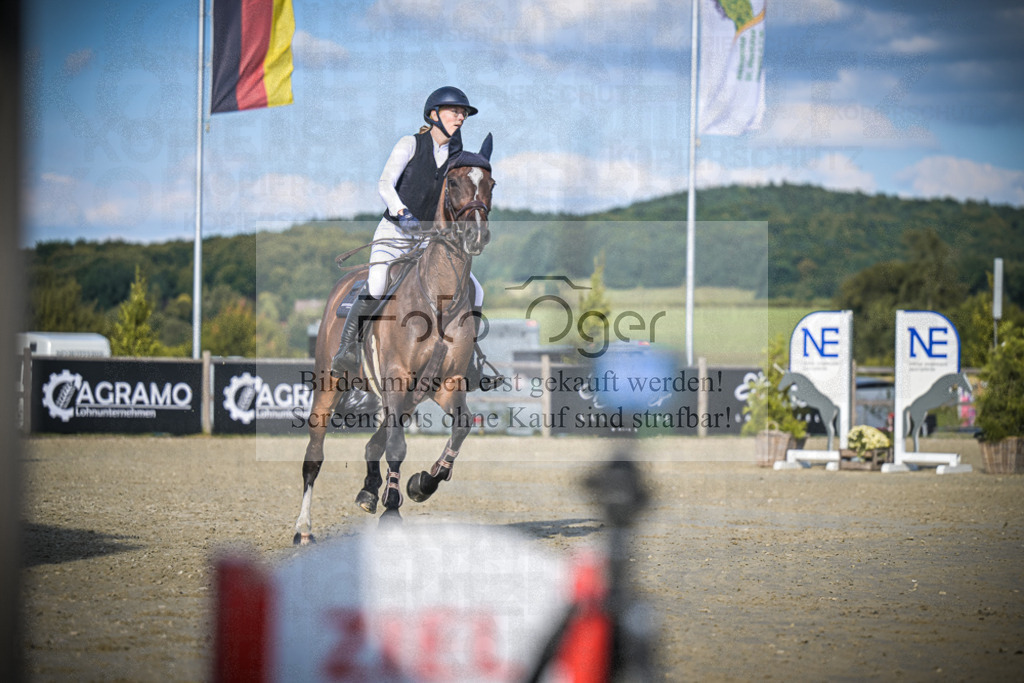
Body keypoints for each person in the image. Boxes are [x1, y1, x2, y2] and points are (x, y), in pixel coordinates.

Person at [331, 86, 498, 390]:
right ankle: (348, 350)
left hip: (427, 241)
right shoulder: (410, 144)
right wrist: (402, 212)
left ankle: (470, 362)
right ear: (434, 115)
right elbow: (385, 184)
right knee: (379, 283)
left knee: (476, 289)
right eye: (454, 112)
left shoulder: (454, 158)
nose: (460, 117)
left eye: (463, 114)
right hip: (394, 231)